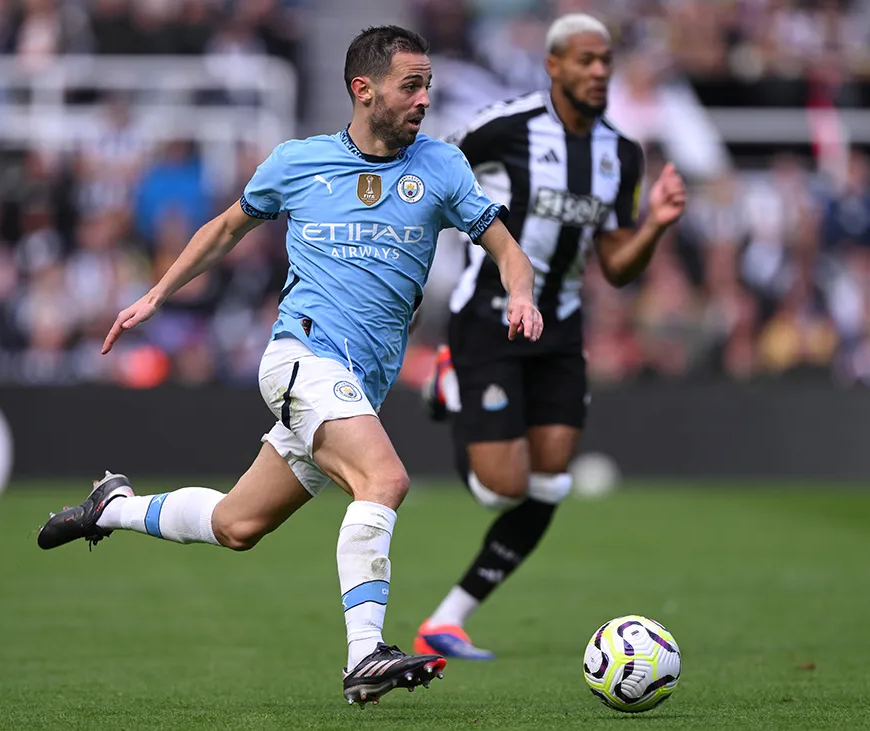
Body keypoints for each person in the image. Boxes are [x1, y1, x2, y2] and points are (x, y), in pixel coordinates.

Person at [34, 25, 545, 705]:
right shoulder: (297, 162)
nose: (425, 98)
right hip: (300, 357)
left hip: (354, 383)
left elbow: (507, 246)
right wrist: (157, 294)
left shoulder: (442, 167)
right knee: (384, 479)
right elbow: (223, 229)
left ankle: (112, 507)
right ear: (364, 90)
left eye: (428, 85)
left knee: (236, 525)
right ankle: (365, 654)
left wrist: (520, 293)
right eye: (411, 85)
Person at [415, 13, 687, 660]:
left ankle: (448, 618)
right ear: (554, 65)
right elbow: (428, 170)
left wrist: (654, 225)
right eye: (585, 61)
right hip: (488, 316)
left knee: (551, 479)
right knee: (502, 487)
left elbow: (617, 266)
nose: (599, 72)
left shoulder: (622, 153)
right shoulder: (504, 126)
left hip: (561, 325)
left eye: (606, 62)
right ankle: (452, 381)